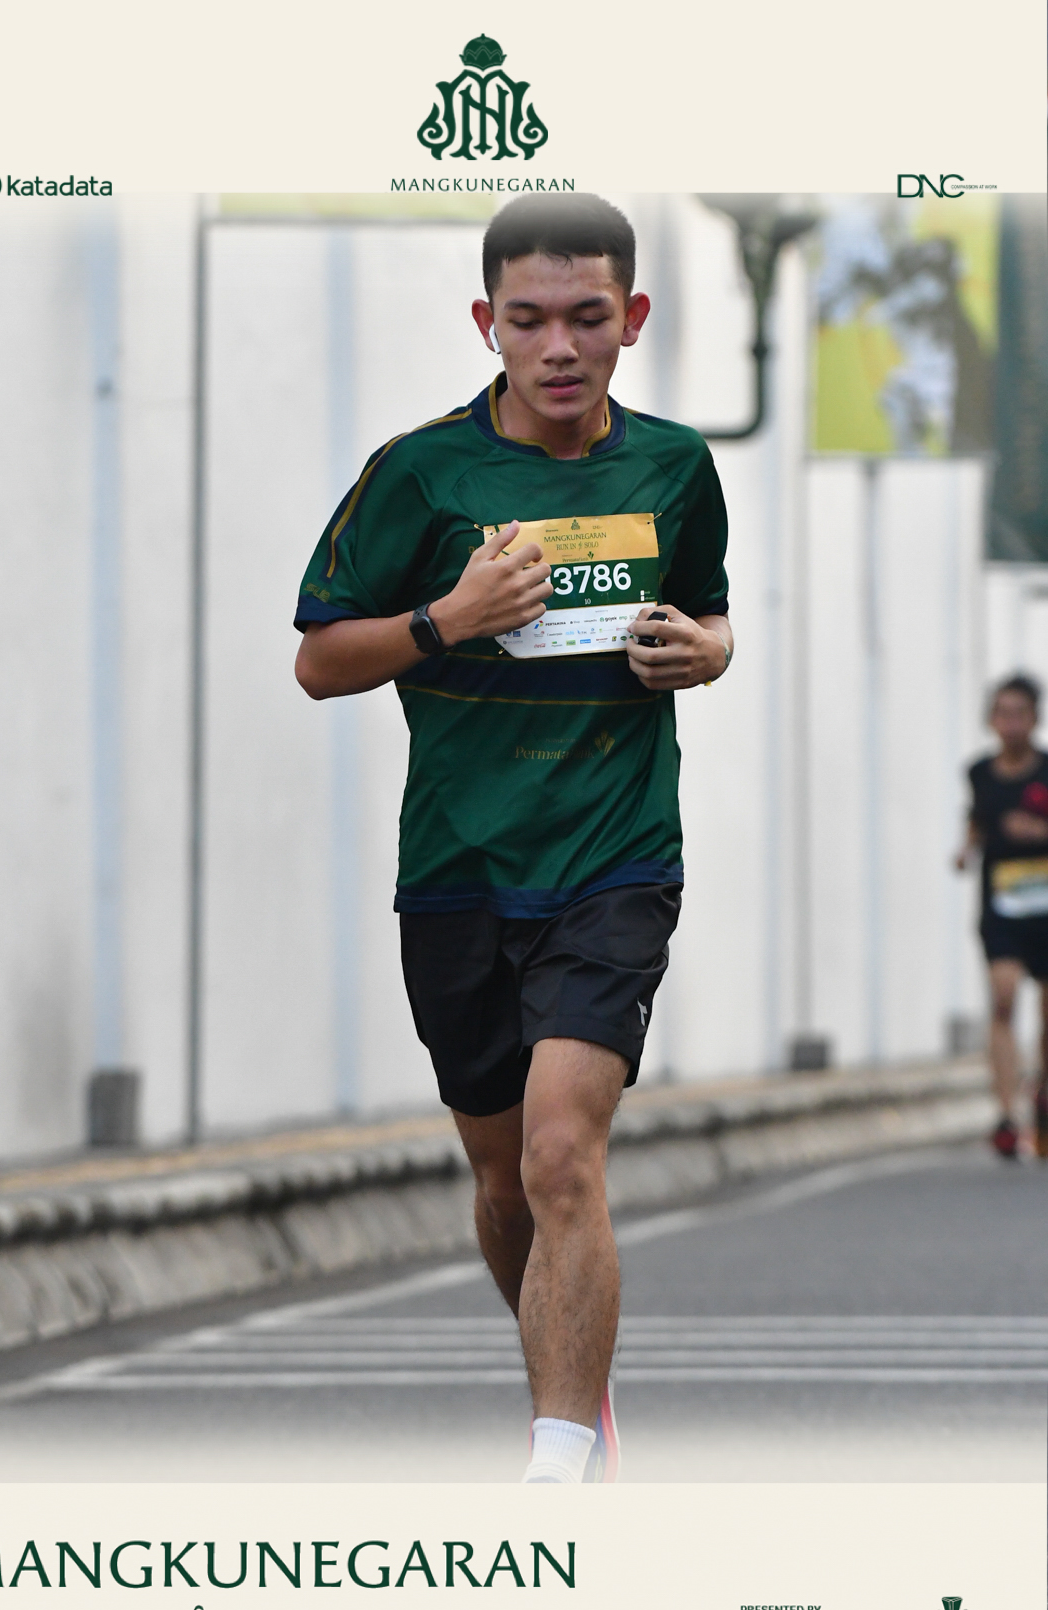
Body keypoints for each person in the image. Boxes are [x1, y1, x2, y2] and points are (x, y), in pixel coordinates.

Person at [294, 193, 732, 1482]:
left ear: (631, 319)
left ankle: (557, 1466)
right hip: (460, 870)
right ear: (486, 321)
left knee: (560, 1153)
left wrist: (704, 652)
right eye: (529, 319)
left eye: (587, 317)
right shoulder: (420, 473)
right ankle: (575, 1390)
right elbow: (319, 661)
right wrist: (449, 616)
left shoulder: (674, 468)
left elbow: (707, 616)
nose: (559, 347)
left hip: (614, 856)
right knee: (503, 1182)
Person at [956, 674, 1048, 1159]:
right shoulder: (979, 773)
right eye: (1002, 713)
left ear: (1034, 719)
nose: (1011, 724)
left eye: (1020, 714)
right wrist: (966, 849)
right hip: (1003, 906)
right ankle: (1007, 1114)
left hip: (1045, 908)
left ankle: (1042, 1095)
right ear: (991, 719)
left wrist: (1036, 832)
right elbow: (976, 820)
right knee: (1004, 999)